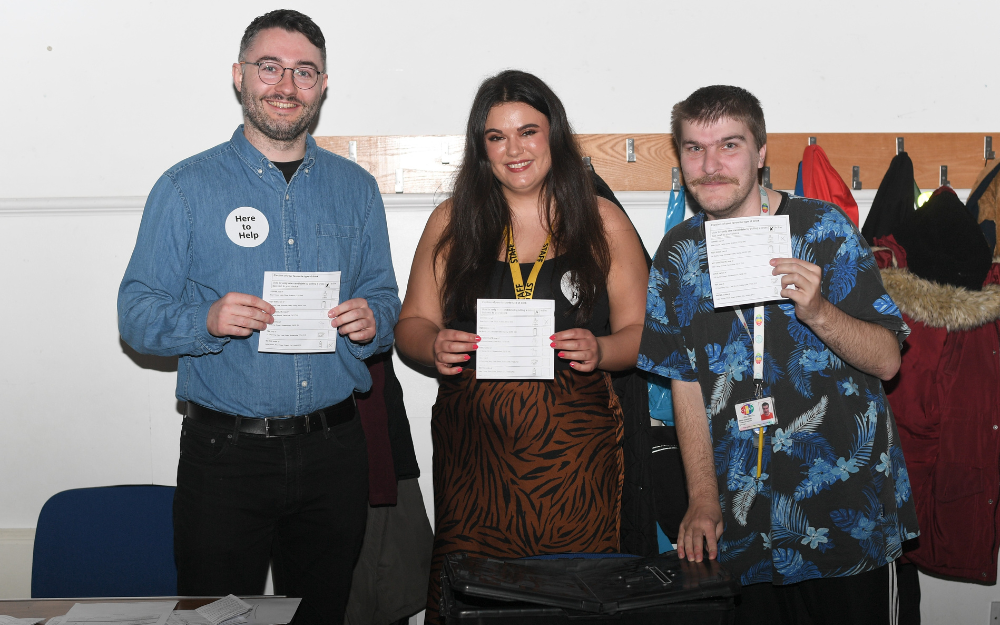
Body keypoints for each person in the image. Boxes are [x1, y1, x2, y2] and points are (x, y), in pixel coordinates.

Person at [117, 10, 400, 625]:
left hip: (335, 451)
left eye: (305, 71)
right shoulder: (186, 187)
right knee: (216, 617)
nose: (286, 85)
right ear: (239, 75)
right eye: (270, 67)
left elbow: (385, 295)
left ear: (323, 85)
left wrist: (374, 319)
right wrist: (206, 319)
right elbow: (135, 314)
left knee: (321, 615)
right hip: (226, 458)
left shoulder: (357, 189)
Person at [637, 85, 918, 625]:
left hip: (843, 516)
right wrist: (702, 499)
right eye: (695, 148)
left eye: (729, 145)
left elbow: (888, 361)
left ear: (761, 151)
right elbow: (685, 382)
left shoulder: (823, 229)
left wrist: (819, 312)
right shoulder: (678, 253)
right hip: (740, 525)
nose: (710, 166)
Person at [394, 70, 649, 623]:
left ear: (553, 135)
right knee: (476, 599)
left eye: (528, 131)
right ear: (480, 147)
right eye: (497, 136)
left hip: (574, 460)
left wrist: (601, 350)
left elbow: (641, 333)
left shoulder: (602, 221)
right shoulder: (452, 221)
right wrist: (433, 344)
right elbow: (410, 322)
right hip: (475, 460)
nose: (514, 149)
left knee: (572, 599)